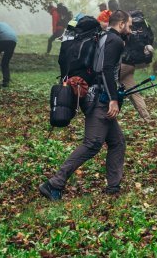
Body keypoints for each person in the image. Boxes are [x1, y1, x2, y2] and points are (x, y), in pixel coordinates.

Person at [39, 10, 131, 200]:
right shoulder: (113, 40)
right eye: (129, 25)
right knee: (92, 144)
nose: (130, 29)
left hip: (94, 95)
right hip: (100, 99)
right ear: (121, 24)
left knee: (117, 142)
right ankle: (54, 183)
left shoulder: (104, 37)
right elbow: (106, 70)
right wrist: (113, 99)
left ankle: (113, 187)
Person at [120, 11, 155, 121]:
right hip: (132, 64)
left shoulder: (127, 26)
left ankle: (99, 113)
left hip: (123, 63)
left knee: (103, 82)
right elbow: (150, 40)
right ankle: (146, 118)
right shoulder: (145, 25)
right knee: (133, 91)